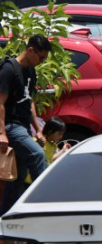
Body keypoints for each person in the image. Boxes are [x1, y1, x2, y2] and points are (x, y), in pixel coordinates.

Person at [0, 35, 51, 213]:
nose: (41, 61)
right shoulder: (8, 70)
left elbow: (29, 101)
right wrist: (2, 133)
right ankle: (48, 200)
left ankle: (5, 217)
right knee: (37, 155)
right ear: (30, 51)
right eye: (41, 57)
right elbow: (0, 103)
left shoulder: (30, 71)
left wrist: (37, 129)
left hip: (23, 126)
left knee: (17, 177)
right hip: (11, 127)